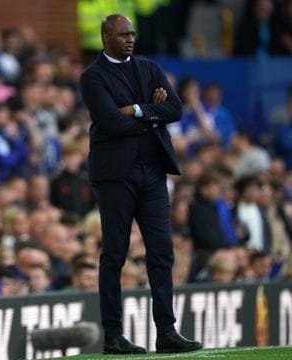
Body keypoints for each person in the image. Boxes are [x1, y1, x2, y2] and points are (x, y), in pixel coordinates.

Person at [79, 14, 202, 354]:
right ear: (106, 36)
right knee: (115, 254)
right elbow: (109, 122)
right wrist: (152, 113)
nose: (130, 39)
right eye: (123, 34)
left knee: (161, 252)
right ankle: (113, 334)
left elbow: (174, 109)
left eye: (132, 33)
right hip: (116, 176)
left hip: (152, 172)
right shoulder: (92, 77)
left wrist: (135, 111)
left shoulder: (148, 67)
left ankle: (166, 331)